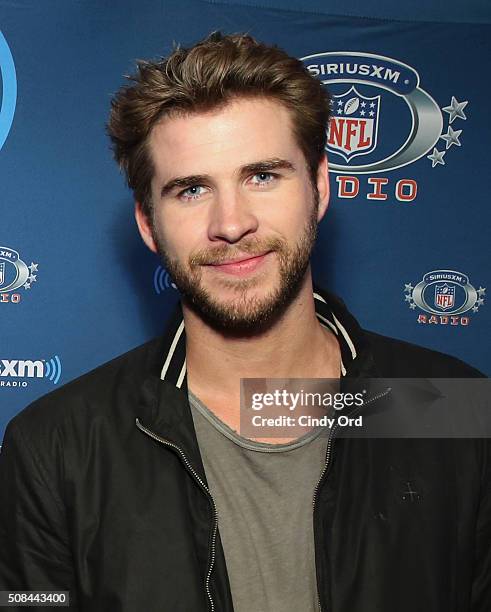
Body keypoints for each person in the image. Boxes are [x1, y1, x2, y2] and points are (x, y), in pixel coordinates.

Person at [0, 32, 489, 612]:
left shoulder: (448, 406)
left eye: (262, 176)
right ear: (149, 225)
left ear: (320, 188)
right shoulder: (55, 446)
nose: (231, 224)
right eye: (191, 189)